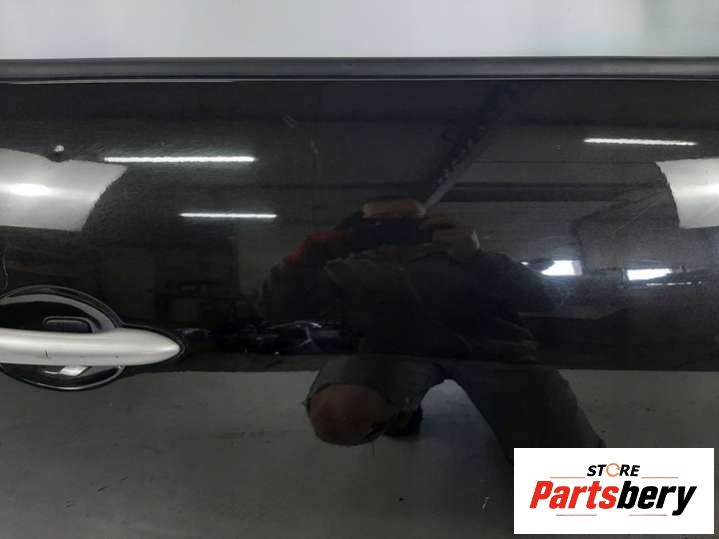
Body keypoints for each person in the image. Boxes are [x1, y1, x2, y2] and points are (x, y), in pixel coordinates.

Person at [257, 196, 603, 460]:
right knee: (337, 414)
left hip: (496, 356)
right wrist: (303, 261)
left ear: (431, 223)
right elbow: (276, 311)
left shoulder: (468, 257)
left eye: (407, 221)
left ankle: (528, 438)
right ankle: (399, 412)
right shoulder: (344, 269)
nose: (394, 229)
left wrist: (477, 258)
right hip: (391, 356)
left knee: (570, 466)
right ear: (357, 227)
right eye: (380, 223)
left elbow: (548, 298)